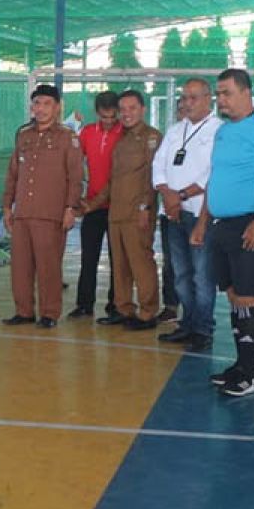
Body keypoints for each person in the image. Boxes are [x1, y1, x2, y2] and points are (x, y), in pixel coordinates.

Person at [192, 68, 254, 397]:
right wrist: (203, 222)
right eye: (218, 94)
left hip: (250, 223)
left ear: (246, 93)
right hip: (222, 226)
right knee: (234, 297)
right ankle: (243, 363)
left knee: (249, 297)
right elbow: (215, 179)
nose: (221, 100)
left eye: (226, 93)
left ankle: (249, 372)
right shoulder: (223, 132)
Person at [0, 84, 82, 328]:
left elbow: (75, 176)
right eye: (37, 103)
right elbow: (13, 173)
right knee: (20, 266)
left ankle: (49, 313)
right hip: (23, 212)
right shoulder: (23, 135)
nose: (41, 109)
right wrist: (7, 206)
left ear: (57, 108)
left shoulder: (68, 137)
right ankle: (24, 311)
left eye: (47, 104)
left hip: (51, 214)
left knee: (48, 267)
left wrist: (71, 208)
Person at [153, 78, 220, 351]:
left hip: (199, 212)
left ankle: (203, 328)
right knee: (179, 273)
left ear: (208, 99)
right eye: (184, 98)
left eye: (194, 98)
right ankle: (187, 323)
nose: (187, 103)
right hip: (172, 212)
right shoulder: (175, 130)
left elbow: (212, 173)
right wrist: (166, 193)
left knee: (202, 275)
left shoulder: (218, 131)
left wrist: (179, 195)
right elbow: (158, 164)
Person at [90, 90, 162, 330]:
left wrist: (145, 207)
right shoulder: (122, 141)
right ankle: (124, 309)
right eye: (123, 110)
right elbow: (112, 181)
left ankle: (148, 312)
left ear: (143, 109)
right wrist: (90, 204)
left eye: (132, 108)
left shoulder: (151, 138)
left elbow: (153, 176)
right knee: (119, 266)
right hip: (116, 214)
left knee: (141, 263)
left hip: (137, 214)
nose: (126, 114)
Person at [68, 91, 122, 318]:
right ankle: (84, 304)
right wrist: (77, 196)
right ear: (97, 113)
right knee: (88, 258)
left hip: (119, 207)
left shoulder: (127, 134)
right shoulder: (88, 132)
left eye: (112, 117)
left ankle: (116, 304)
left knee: (118, 259)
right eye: (104, 117)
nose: (108, 122)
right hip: (91, 205)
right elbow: (74, 162)